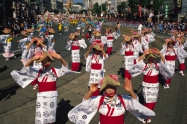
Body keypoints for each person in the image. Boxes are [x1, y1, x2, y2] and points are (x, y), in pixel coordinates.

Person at [11, 51, 77, 124]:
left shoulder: (55, 71)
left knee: (51, 115)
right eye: (44, 61)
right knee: (41, 114)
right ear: (41, 62)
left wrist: (61, 58)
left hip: (52, 96)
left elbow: (65, 68)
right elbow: (26, 68)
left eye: (48, 61)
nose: (47, 63)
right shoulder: (37, 72)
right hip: (41, 97)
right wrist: (32, 59)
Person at [68, 75, 155, 124]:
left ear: (116, 88)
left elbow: (135, 103)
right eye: (107, 88)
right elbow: (86, 103)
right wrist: (90, 92)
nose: (110, 90)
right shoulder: (99, 99)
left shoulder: (122, 99)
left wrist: (131, 91)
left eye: (112, 87)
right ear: (104, 89)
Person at [127, 48, 172, 123]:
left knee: (153, 101)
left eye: (152, 58)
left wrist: (160, 54)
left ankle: (147, 113)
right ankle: (146, 115)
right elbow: (137, 62)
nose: (151, 59)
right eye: (149, 58)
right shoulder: (144, 66)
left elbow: (164, 63)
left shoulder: (158, 65)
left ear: (154, 58)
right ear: (147, 58)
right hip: (146, 86)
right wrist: (144, 54)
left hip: (155, 86)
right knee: (147, 101)